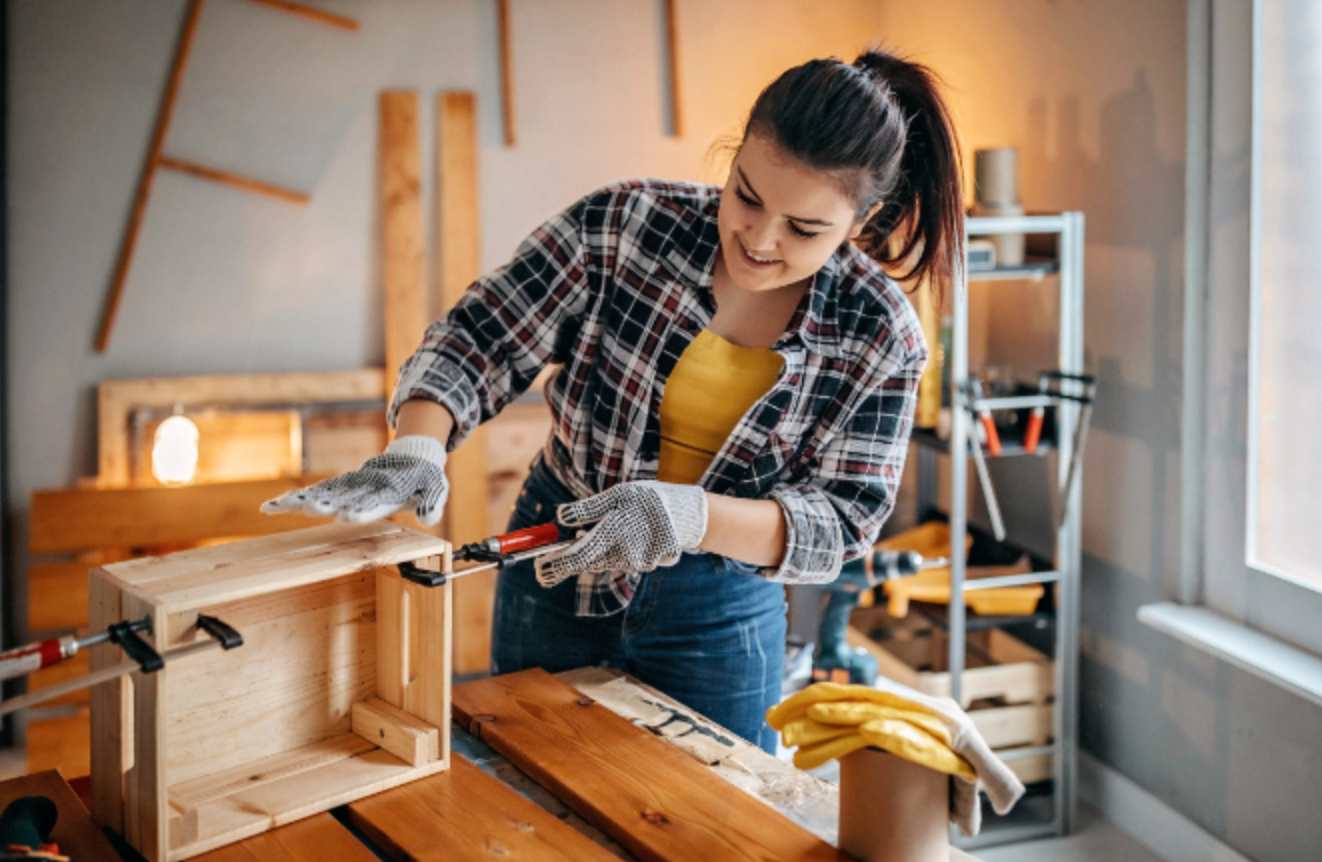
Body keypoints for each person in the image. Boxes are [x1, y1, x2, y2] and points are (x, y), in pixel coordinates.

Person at [264, 48, 963, 753]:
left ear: (862, 220)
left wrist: (687, 515)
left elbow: (842, 524)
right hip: (558, 559)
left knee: (715, 822)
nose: (759, 237)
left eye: (804, 229)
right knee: (535, 794)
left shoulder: (881, 334)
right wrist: (416, 441)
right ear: (735, 158)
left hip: (719, 608)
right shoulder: (626, 224)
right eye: (746, 195)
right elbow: (481, 336)